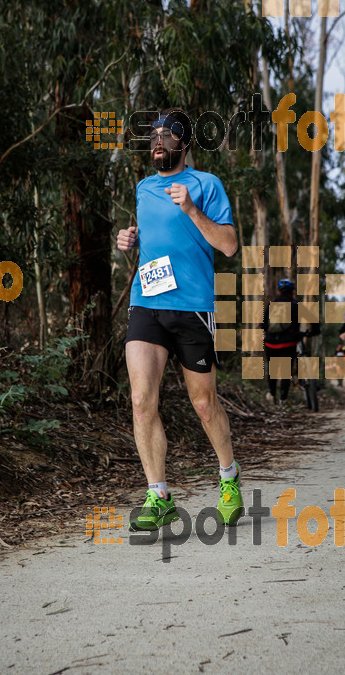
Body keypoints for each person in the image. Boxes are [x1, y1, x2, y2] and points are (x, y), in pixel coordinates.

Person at [117, 109, 242, 532]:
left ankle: (229, 478)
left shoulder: (206, 185)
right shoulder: (142, 188)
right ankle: (159, 494)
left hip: (192, 306)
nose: (156, 141)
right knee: (140, 400)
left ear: (183, 144)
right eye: (152, 135)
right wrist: (129, 240)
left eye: (166, 135)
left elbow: (228, 246)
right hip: (147, 301)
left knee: (204, 404)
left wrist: (190, 209)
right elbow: (154, 239)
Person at [263, 279, 319, 406]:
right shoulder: (297, 305)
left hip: (270, 343)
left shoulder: (271, 304)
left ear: (278, 291)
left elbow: (263, 324)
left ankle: (272, 396)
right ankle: (283, 400)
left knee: (272, 370)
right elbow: (314, 321)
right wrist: (313, 332)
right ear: (293, 291)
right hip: (288, 343)